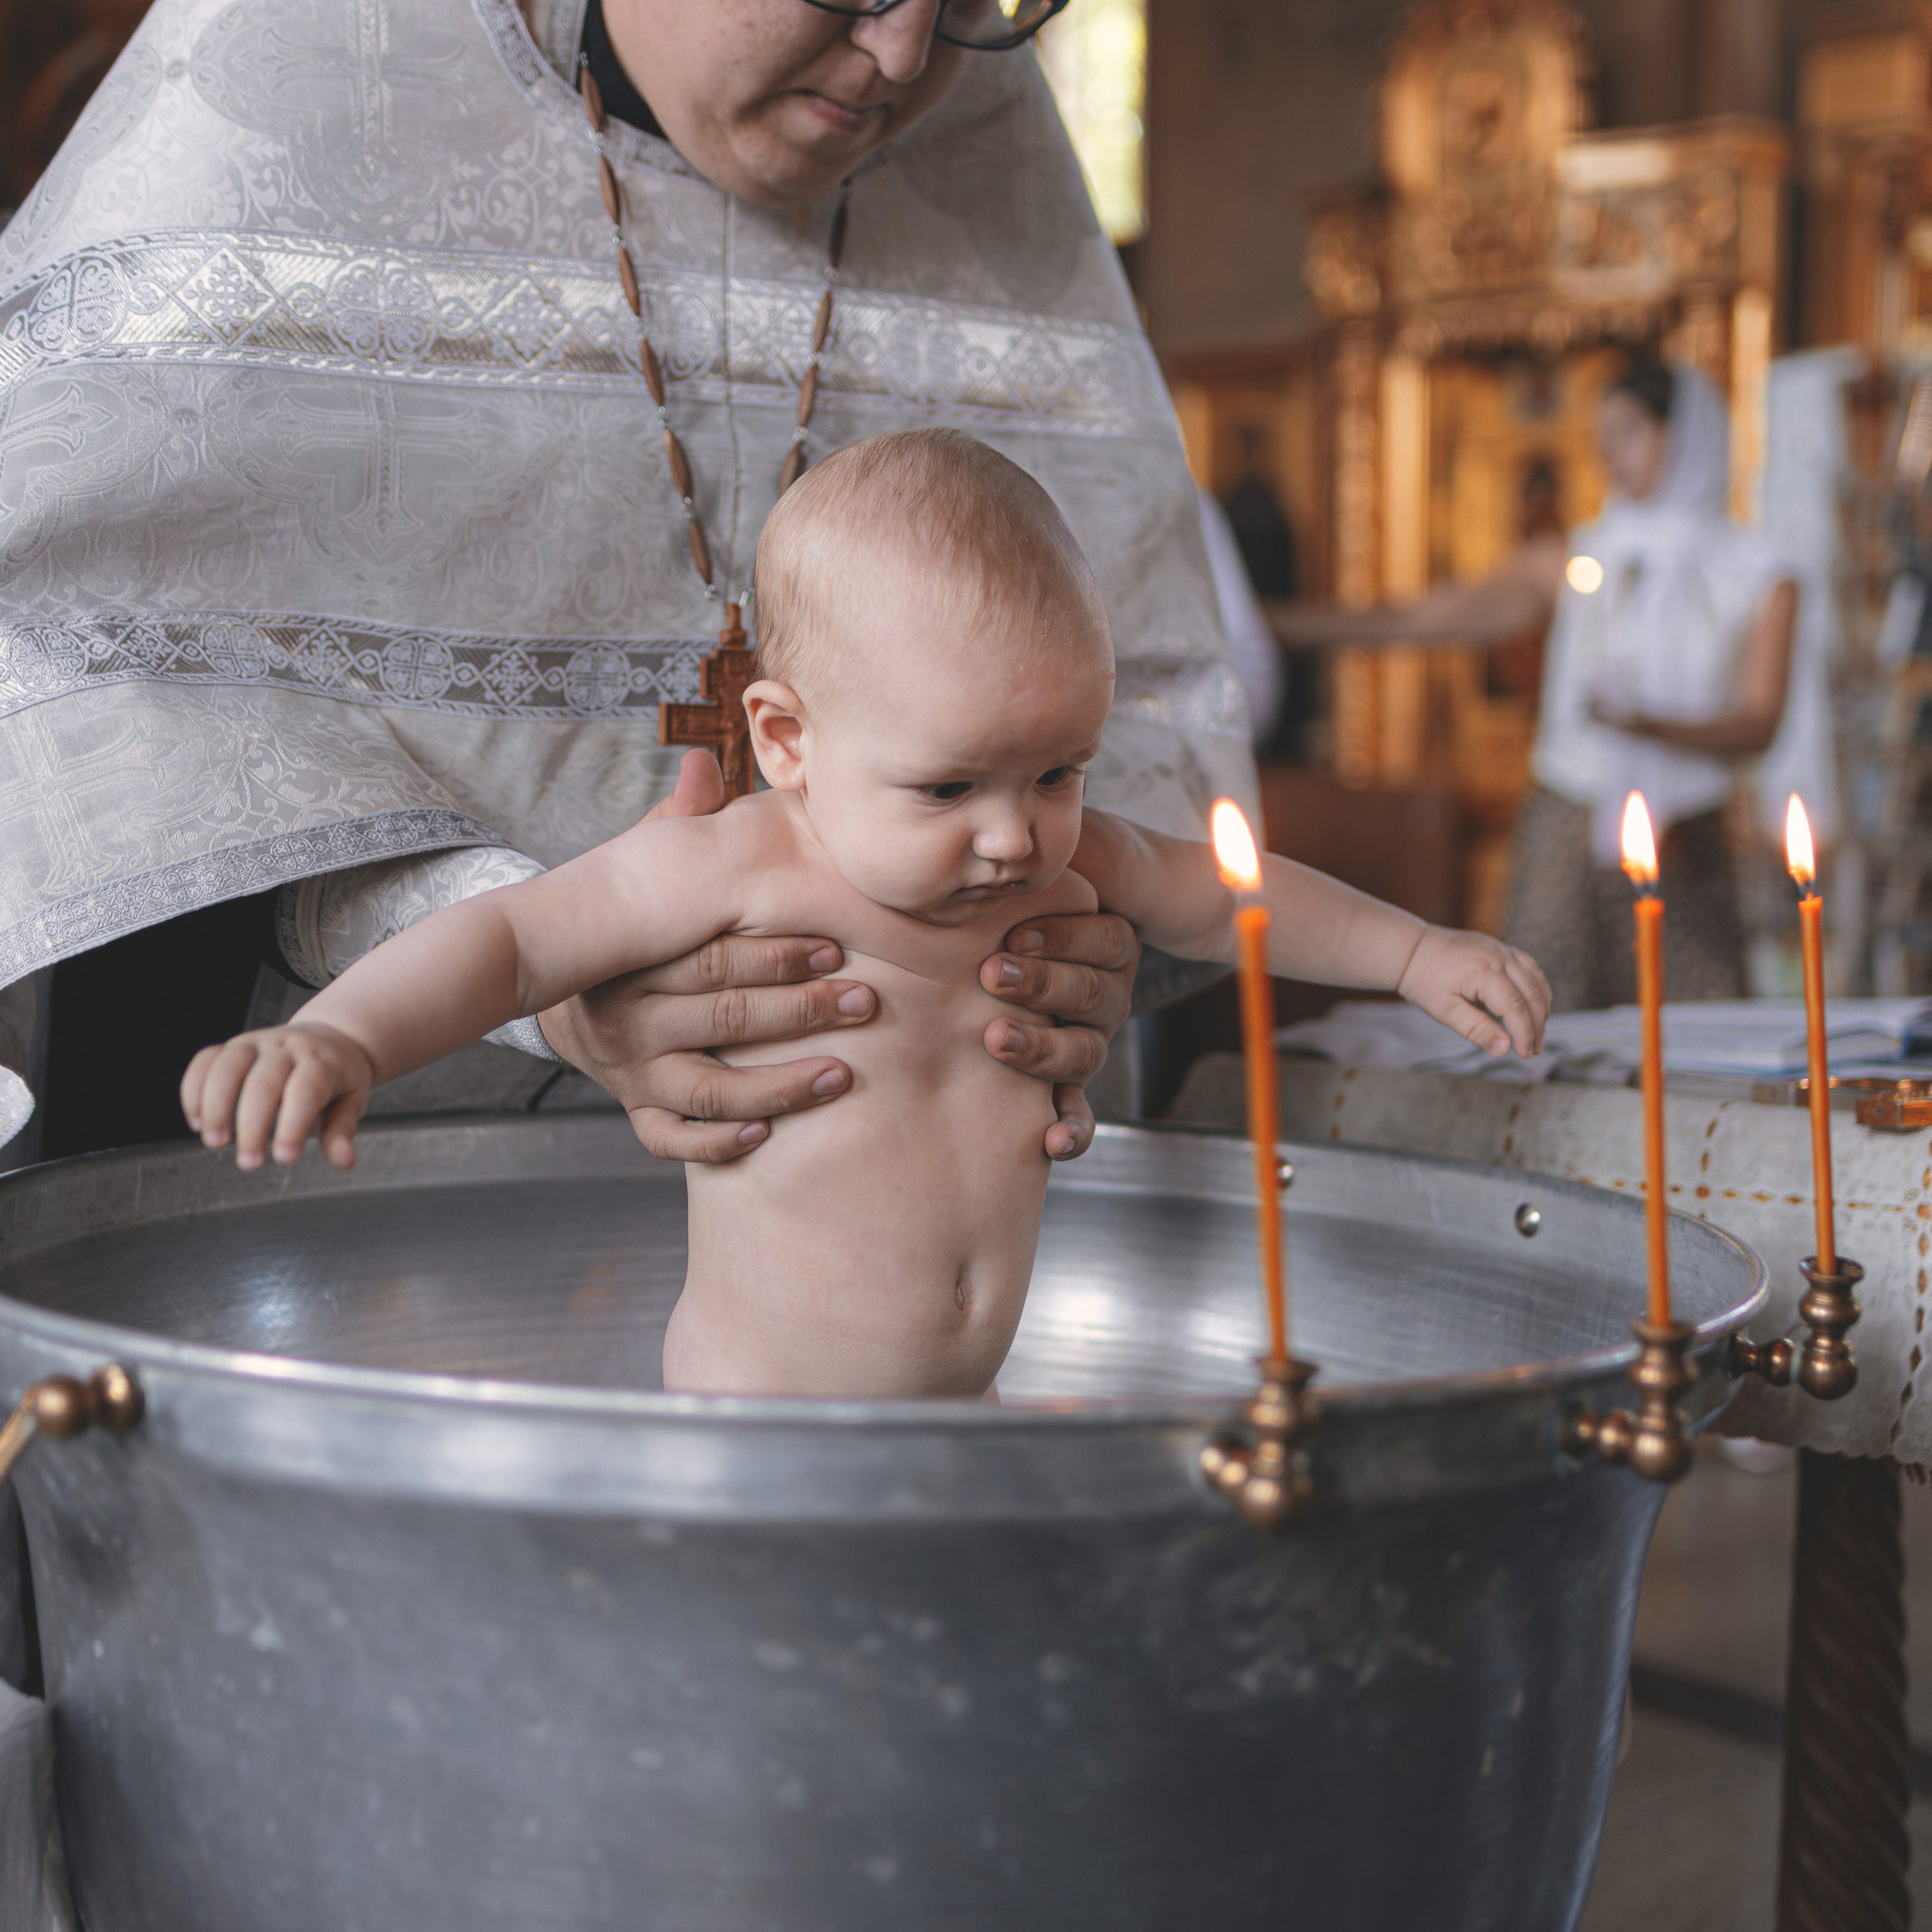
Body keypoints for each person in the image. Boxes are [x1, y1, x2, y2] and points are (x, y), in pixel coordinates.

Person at [0, 0, 1253, 1165]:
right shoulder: (303, 76)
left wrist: (1060, 944)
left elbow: (1121, 762)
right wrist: (557, 972)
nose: (907, 56)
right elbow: (114, 754)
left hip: (867, 1186)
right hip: (349, 1177)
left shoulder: (976, 129)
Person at [183, 432, 1551, 1396]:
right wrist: (345, 1039)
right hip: (759, 1423)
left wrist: (1413, 951)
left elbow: (1229, 890)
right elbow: (513, 942)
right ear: (787, 740)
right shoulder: (740, 866)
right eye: (948, 786)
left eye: (1059, 772)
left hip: (968, 1408)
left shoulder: (1060, 864)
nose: (1014, 834)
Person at [1273, 361, 1816, 1012]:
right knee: (1541, 1004)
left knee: (1691, 1015)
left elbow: (1760, 723)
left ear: (1686, 436)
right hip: (1566, 820)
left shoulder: (1758, 574)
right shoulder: (1580, 555)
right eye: (1602, 436)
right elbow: (1429, 618)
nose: (1609, 454)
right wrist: (1268, 627)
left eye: (1629, 432)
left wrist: (1651, 726)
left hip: (1686, 832)